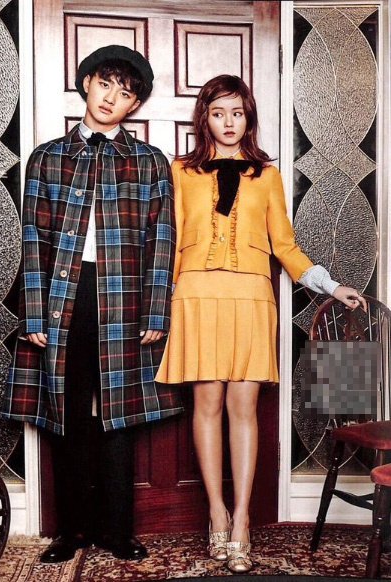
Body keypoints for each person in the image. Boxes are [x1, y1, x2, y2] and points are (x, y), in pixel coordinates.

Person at [155, 74, 366, 574]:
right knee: (206, 405)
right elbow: (168, 240)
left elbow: (285, 246)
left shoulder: (266, 175)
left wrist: (330, 285)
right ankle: (216, 514)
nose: (228, 122)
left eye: (237, 112)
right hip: (196, 295)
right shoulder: (180, 171)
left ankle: (243, 519)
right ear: (204, 118)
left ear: (248, 117)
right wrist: (157, 303)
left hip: (251, 297)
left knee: (243, 408)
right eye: (218, 113)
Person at [3, 45, 183, 564]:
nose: (110, 98)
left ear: (134, 106)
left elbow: (162, 240)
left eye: (124, 93)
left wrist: (156, 310)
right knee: (68, 410)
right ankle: (72, 530)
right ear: (86, 84)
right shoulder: (47, 157)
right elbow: (32, 238)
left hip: (124, 296)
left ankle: (117, 529)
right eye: (104, 84)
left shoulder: (149, 161)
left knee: (119, 414)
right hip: (65, 296)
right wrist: (34, 312)